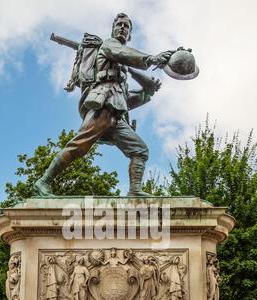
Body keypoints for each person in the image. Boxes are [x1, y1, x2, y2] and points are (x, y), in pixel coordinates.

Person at [34, 13, 175, 197]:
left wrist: (146, 92)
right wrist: (151, 59)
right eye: (120, 24)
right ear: (113, 29)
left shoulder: (120, 74)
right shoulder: (110, 45)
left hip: (115, 116)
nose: (123, 28)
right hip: (102, 109)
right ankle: (43, 182)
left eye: (126, 26)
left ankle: (135, 191)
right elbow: (123, 53)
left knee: (139, 150)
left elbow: (125, 100)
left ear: (130, 34)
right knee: (78, 147)